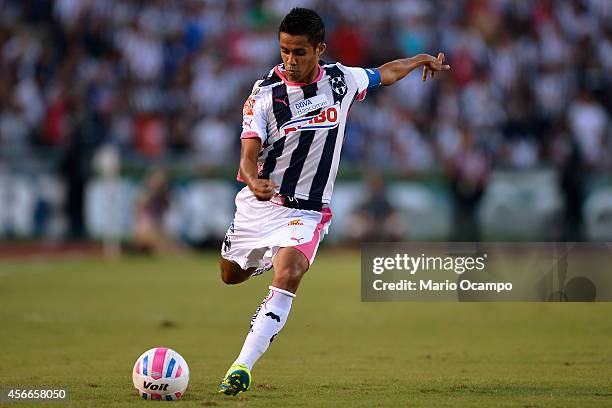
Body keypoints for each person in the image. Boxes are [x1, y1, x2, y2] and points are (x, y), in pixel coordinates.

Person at [218, 7, 450, 395]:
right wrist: (254, 178)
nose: (290, 61)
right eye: (284, 51)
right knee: (229, 275)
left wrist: (418, 60)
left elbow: (384, 73)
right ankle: (263, 259)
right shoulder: (264, 94)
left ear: (319, 50)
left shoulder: (341, 81)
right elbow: (247, 149)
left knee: (290, 272)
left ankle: (241, 366)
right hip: (260, 205)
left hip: (307, 211)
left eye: (299, 52)